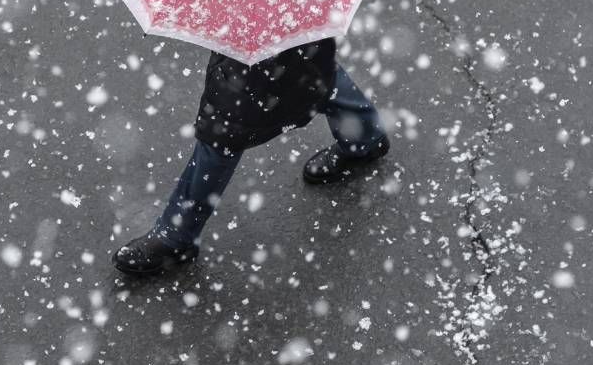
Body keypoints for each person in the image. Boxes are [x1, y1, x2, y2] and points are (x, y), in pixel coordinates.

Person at [113, 37, 390, 276]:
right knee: (311, 70)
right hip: (283, 15)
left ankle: (177, 234)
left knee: (224, 128)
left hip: (256, 34)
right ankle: (365, 136)